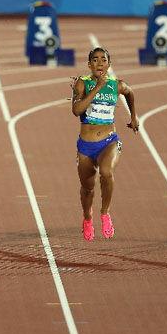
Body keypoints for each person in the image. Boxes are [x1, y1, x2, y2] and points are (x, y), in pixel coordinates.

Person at [70, 47, 138, 241]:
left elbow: (130, 93)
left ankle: (105, 213)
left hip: (109, 141)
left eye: (103, 59)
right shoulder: (82, 84)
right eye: (95, 60)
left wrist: (134, 116)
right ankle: (87, 217)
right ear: (89, 64)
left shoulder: (117, 85)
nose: (99, 63)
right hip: (85, 146)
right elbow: (76, 110)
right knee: (87, 189)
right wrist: (98, 87)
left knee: (106, 172)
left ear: (109, 64)